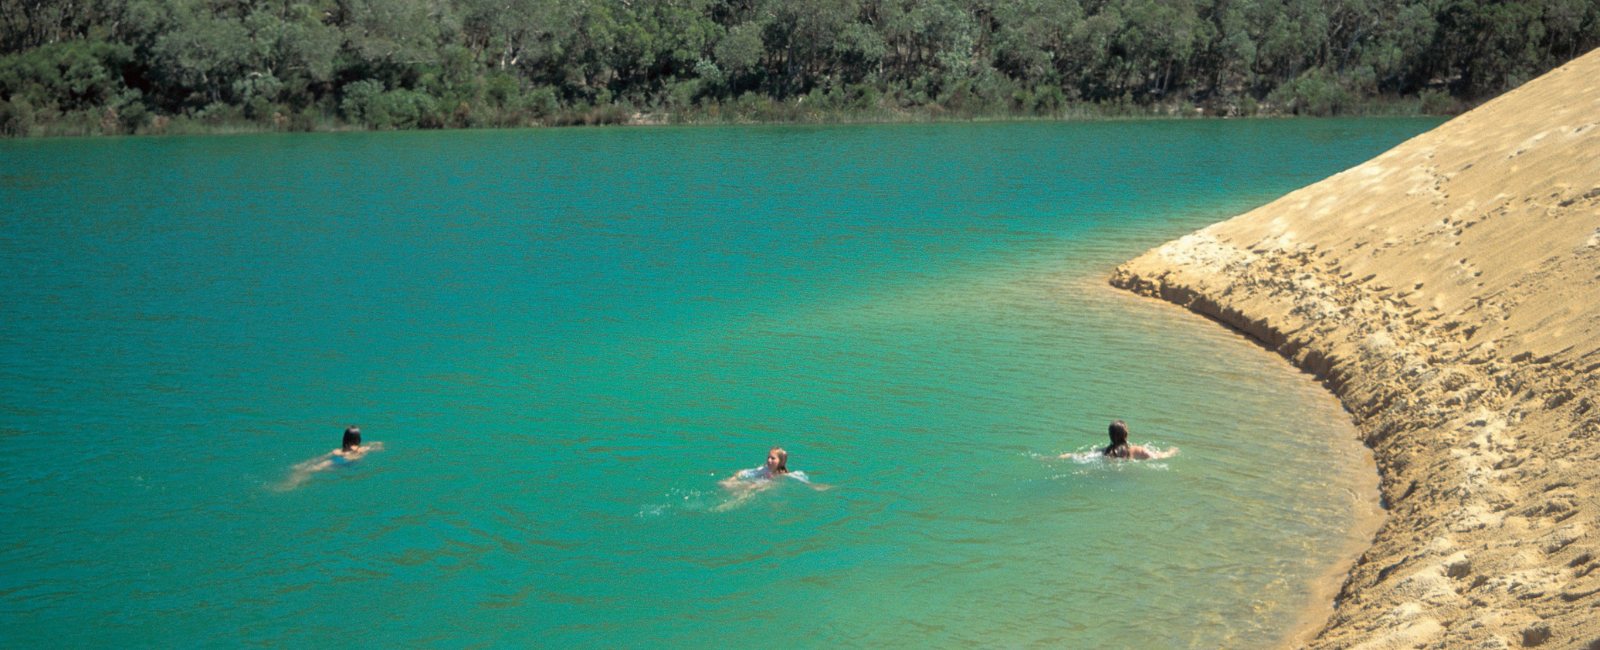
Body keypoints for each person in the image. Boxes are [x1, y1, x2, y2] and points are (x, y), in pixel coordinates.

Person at [281, 426, 385, 489]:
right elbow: (379, 445)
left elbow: (320, 457)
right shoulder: (361, 449)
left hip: (337, 458)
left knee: (316, 466)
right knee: (319, 467)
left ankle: (299, 469)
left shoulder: (337, 451)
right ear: (358, 439)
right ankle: (293, 481)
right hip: (343, 463)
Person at [1056, 420, 1177, 460]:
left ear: (1110, 435)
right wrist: (1171, 451)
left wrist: (1057, 457)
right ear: (1126, 435)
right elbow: (1158, 456)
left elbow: (1078, 456)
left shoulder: (1103, 452)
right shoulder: (1136, 451)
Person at [719, 447, 828, 491]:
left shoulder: (785, 475)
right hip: (756, 482)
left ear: (781, 462)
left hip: (764, 485)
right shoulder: (763, 469)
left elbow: (801, 480)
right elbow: (742, 471)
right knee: (727, 485)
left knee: (752, 487)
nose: (769, 460)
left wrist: (814, 485)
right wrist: (732, 479)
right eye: (768, 457)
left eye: (773, 458)